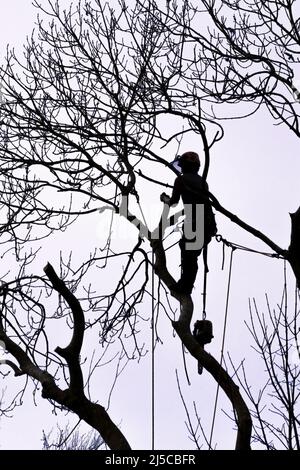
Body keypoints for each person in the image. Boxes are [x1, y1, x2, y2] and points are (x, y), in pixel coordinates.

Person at [160, 151, 217, 295]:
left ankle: (185, 286)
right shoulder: (203, 181)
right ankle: (186, 285)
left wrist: (164, 199)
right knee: (189, 251)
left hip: (196, 219)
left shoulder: (181, 180)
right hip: (209, 222)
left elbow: (173, 202)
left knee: (189, 254)